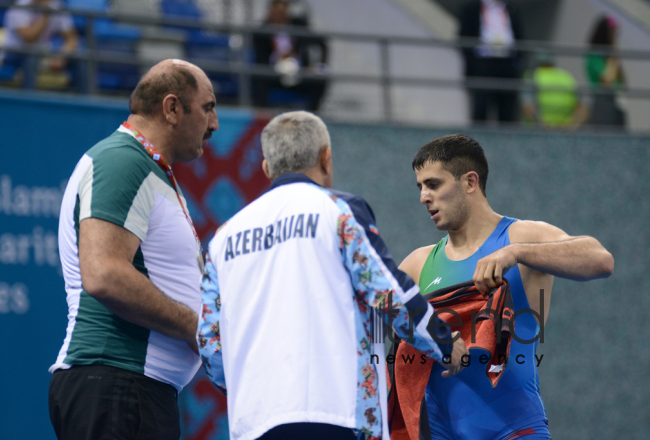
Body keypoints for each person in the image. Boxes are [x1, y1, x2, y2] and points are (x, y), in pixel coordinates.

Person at [197, 111, 468, 440]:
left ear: (267, 168)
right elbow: (386, 292)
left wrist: (251, 388)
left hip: (253, 422)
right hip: (336, 414)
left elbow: (209, 342)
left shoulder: (223, 239)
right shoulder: (339, 210)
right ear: (326, 158)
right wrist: (441, 340)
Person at [389, 134, 614, 439]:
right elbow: (371, 313)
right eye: (420, 187)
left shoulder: (520, 236)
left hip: (514, 429)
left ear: (470, 182)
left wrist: (517, 252)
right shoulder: (419, 262)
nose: (423, 197)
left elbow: (600, 260)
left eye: (433, 184)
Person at [49, 59, 219, 440]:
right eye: (208, 108)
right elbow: (104, 274)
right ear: (172, 108)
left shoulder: (147, 168)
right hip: (117, 388)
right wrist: (196, 328)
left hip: (129, 393)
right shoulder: (122, 161)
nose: (214, 124)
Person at [252, 0, 328, 110]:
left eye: (282, 13)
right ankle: (262, 116)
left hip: (300, 73)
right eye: (276, 13)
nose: (279, 17)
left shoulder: (297, 26)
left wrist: (317, 64)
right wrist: (278, 58)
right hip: (274, 75)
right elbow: (260, 59)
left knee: (319, 80)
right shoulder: (261, 32)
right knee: (260, 81)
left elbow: (321, 42)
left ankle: (312, 115)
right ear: (270, 12)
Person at [459, 0, 524, 123]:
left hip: (507, 65)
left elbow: (520, 37)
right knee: (480, 111)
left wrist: (517, 63)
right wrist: (473, 63)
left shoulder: (512, 9)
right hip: (482, 66)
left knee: (507, 114)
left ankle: (506, 141)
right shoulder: (471, 9)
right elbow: (463, 38)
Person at [0, 0, 79, 89]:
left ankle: (84, 99)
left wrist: (62, 57)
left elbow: (71, 37)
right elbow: (30, 39)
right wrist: (46, 15)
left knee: (82, 58)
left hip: (42, 54)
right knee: (31, 58)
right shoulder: (18, 7)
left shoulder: (56, 5)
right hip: (15, 54)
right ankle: (28, 98)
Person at [521, 51, 588, 129]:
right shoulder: (566, 77)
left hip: (537, 131)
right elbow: (583, 109)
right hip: (564, 131)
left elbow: (527, 107)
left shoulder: (531, 76)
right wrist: (573, 127)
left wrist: (543, 126)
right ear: (553, 63)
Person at [585, 15, 626, 128]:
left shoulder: (609, 57)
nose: (614, 38)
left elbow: (622, 82)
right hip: (603, 103)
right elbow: (607, 80)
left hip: (617, 102)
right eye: (612, 34)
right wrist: (613, 54)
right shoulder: (594, 56)